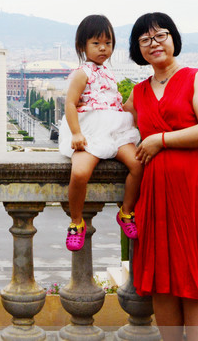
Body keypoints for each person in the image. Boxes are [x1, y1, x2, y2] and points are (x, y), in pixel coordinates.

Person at [123, 12, 198, 341]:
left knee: (196, 278)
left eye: (160, 36)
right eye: (145, 40)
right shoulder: (139, 92)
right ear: (137, 50)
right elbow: (112, 125)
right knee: (163, 278)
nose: (154, 44)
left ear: (173, 39)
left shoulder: (195, 77)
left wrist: (161, 140)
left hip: (194, 189)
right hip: (156, 193)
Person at [59, 14, 143, 252]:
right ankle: (76, 221)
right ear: (82, 46)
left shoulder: (108, 72)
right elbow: (70, 104)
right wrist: (76, 133)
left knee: (138, 166)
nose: (103, 48)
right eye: (96, 43)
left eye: (108, 43)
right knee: (80, 173)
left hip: (114, 129)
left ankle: (126, 212)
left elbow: (113, 104)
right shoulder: (81, 73)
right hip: (91, 130)